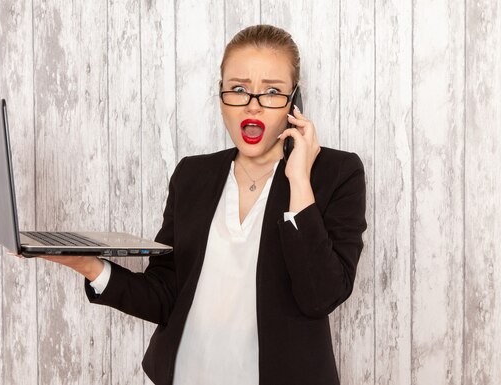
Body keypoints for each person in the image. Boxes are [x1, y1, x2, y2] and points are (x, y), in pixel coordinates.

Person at [40, 24, 367, 385]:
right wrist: (87, 264)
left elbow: (320, 297)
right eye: (239, 89)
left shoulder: (336, 173)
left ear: (294, 102)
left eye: (272, 91)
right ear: (221, 96)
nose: (253, 106)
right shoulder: (192, 175)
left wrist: (299, 179)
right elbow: (165, 295)